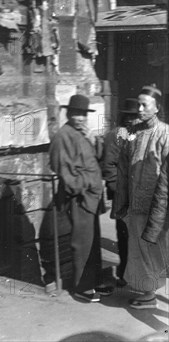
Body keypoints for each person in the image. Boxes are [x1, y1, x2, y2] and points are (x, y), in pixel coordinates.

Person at [49, 94, 113, 303]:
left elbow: (98, 158)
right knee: (82, 242)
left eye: (83, 114)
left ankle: (93, 281)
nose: (80, 118)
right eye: (76, 113)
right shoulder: (62, 136)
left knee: (93, 241)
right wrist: (86, 184)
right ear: (68, 114)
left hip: (92, 196)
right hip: (79, 197)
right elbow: (65, 173)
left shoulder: (83, 133)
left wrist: (93, 139)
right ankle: (81, 287)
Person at [112, 83, 169, 309]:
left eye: (145, 104)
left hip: (158, 206)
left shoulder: (165, 134)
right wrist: (122, 203)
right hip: (136, 206)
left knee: (159, 250)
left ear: (157, 108)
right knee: (142, 252)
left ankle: (151, 292)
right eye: (139, 104)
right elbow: (123, 170)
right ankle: (149, 293)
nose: (140, 108)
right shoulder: (132, 134)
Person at [102, 98, 138, 286]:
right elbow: (108, 167)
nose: (132, 120)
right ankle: (124, 275)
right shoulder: (115, 136)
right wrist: (120, 191)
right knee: (124, 237)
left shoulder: (140, 135)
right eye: (129, 116)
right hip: (123, 198)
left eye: (135, 116)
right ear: (123, 117)